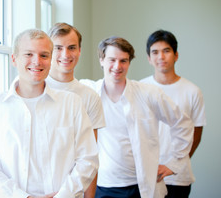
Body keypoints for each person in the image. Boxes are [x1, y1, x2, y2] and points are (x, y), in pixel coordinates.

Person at [0, 29, 99, 198]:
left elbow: (88, 159)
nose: (37, 61)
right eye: (28, 54)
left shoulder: (73, 103)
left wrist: (62, 196)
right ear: (14, 59)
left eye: (44, 55)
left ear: (51, 60)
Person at [80, 36, 194, 198]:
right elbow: (60, 83)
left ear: (129, 62)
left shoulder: (148, 93)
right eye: (112, 60)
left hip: (141, 187)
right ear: (102, 60)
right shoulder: (89, 92)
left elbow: (183, 124)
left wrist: (173, 164)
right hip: (103, 186)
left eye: (123, 61)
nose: (117, 66)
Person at [140, 29, 206, 198]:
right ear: (149, 58)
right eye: (155, 52)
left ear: (176, 55)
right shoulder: (140, 89)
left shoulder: (192, 91)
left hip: (178, 178)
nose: (161, 57)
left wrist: (175, 164)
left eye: (166, 51)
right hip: (147, 175)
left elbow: (195, 135)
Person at [46, 22, 106, 198]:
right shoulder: (35, 88)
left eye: (72, 47)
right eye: (58, 48)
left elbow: (91, 158)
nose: (66, 54)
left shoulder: (90, 97)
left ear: (80, 50)